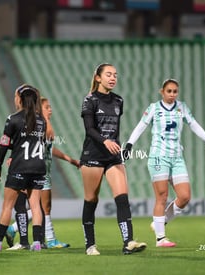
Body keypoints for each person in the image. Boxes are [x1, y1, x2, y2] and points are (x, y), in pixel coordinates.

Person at [123, 78, 205, 247]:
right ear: (162, 91)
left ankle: (158, 223)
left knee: (184, 197)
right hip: (158, 156)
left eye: (175, 91)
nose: (172, 94)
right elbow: (141, 126)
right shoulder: (154, 108)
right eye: (169, 91)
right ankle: (160, 238)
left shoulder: (181, 107)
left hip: (177, 157)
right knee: (161, 196)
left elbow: (194, 125)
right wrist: (129, 144)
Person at [80, 63, 147, 256]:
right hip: (93, 155)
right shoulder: (89, 100)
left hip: (113, 156)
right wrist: (105, 141)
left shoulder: (118, 100)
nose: (113, 78)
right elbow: (90, 129)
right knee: (91, 199)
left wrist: (113, 145)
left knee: (122, 197)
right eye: (108, 74)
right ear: (98, 78)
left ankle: (128, 242)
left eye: (115, 75)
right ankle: (90, 245)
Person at [6, 96, 80, 250]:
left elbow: (50, 146)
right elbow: (49, 137)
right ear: (39, 109)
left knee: (42, 207)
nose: (50, 109)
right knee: (44, 207)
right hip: (37, 170)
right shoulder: (40, 124)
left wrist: (69, 159)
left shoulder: (40, 123)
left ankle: (14, 229)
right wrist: (45, 118)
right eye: (47, 107)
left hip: (42, 168)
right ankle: (48, 239)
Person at [0, 84, 46, 252]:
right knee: (36, 206)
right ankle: (37, 243)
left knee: (7, 206)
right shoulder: (41, 120)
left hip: (19, 168)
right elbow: (36, 143)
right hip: (38, 167)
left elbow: (4, 143)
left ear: (20, 99)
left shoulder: (13, 119)